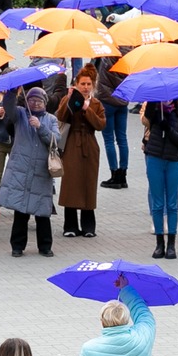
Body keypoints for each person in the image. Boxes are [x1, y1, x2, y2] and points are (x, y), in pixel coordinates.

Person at [0, 85, 59, 257]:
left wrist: (40, 127)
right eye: (32, 100)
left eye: (39, 101)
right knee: (21, 211)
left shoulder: (51, 119)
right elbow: (8, 108)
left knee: (42, 212)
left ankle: (45, 246)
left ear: (45, 103)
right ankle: (17, 246)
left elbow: (56, 141)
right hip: (21, 170)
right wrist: (11, 93)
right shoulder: (21, 114)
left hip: (41, 172)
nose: (35, 104)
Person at [57, 68, 106, 238]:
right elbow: (61, 117)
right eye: (82, 84)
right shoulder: (68, 98)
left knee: (88, 184)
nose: (85, 87)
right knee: (71, 183)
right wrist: (69, 100)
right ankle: (70, 225)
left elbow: (100, 125)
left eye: (88, 84)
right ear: (76, 84)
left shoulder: (96, 103)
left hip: (90, 146)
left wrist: (87, 108)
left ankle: (88, 226)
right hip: (71, 144)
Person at [142, 96, 178, 259]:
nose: (166, 100)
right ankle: (159, 243)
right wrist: (154, 106)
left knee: (172, 204)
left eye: (170, 98)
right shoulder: (154, 111)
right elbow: (146, 118)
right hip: (155, 159)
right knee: (157, 204)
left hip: (174, 162)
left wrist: (169, 129)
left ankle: (171, 244)